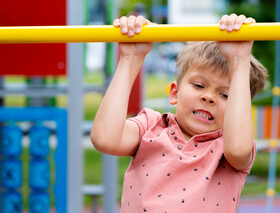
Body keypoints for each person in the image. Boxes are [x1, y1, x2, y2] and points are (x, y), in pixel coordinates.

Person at [91, 14, 268, 212]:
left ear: (239, 108)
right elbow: (104, 138)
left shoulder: (227, 149)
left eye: (226, 95)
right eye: (199, 85)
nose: (208, 97)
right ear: (174, 92)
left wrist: (239, 61)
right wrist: (130, 60)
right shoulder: (151, 127)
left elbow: (238, 149)